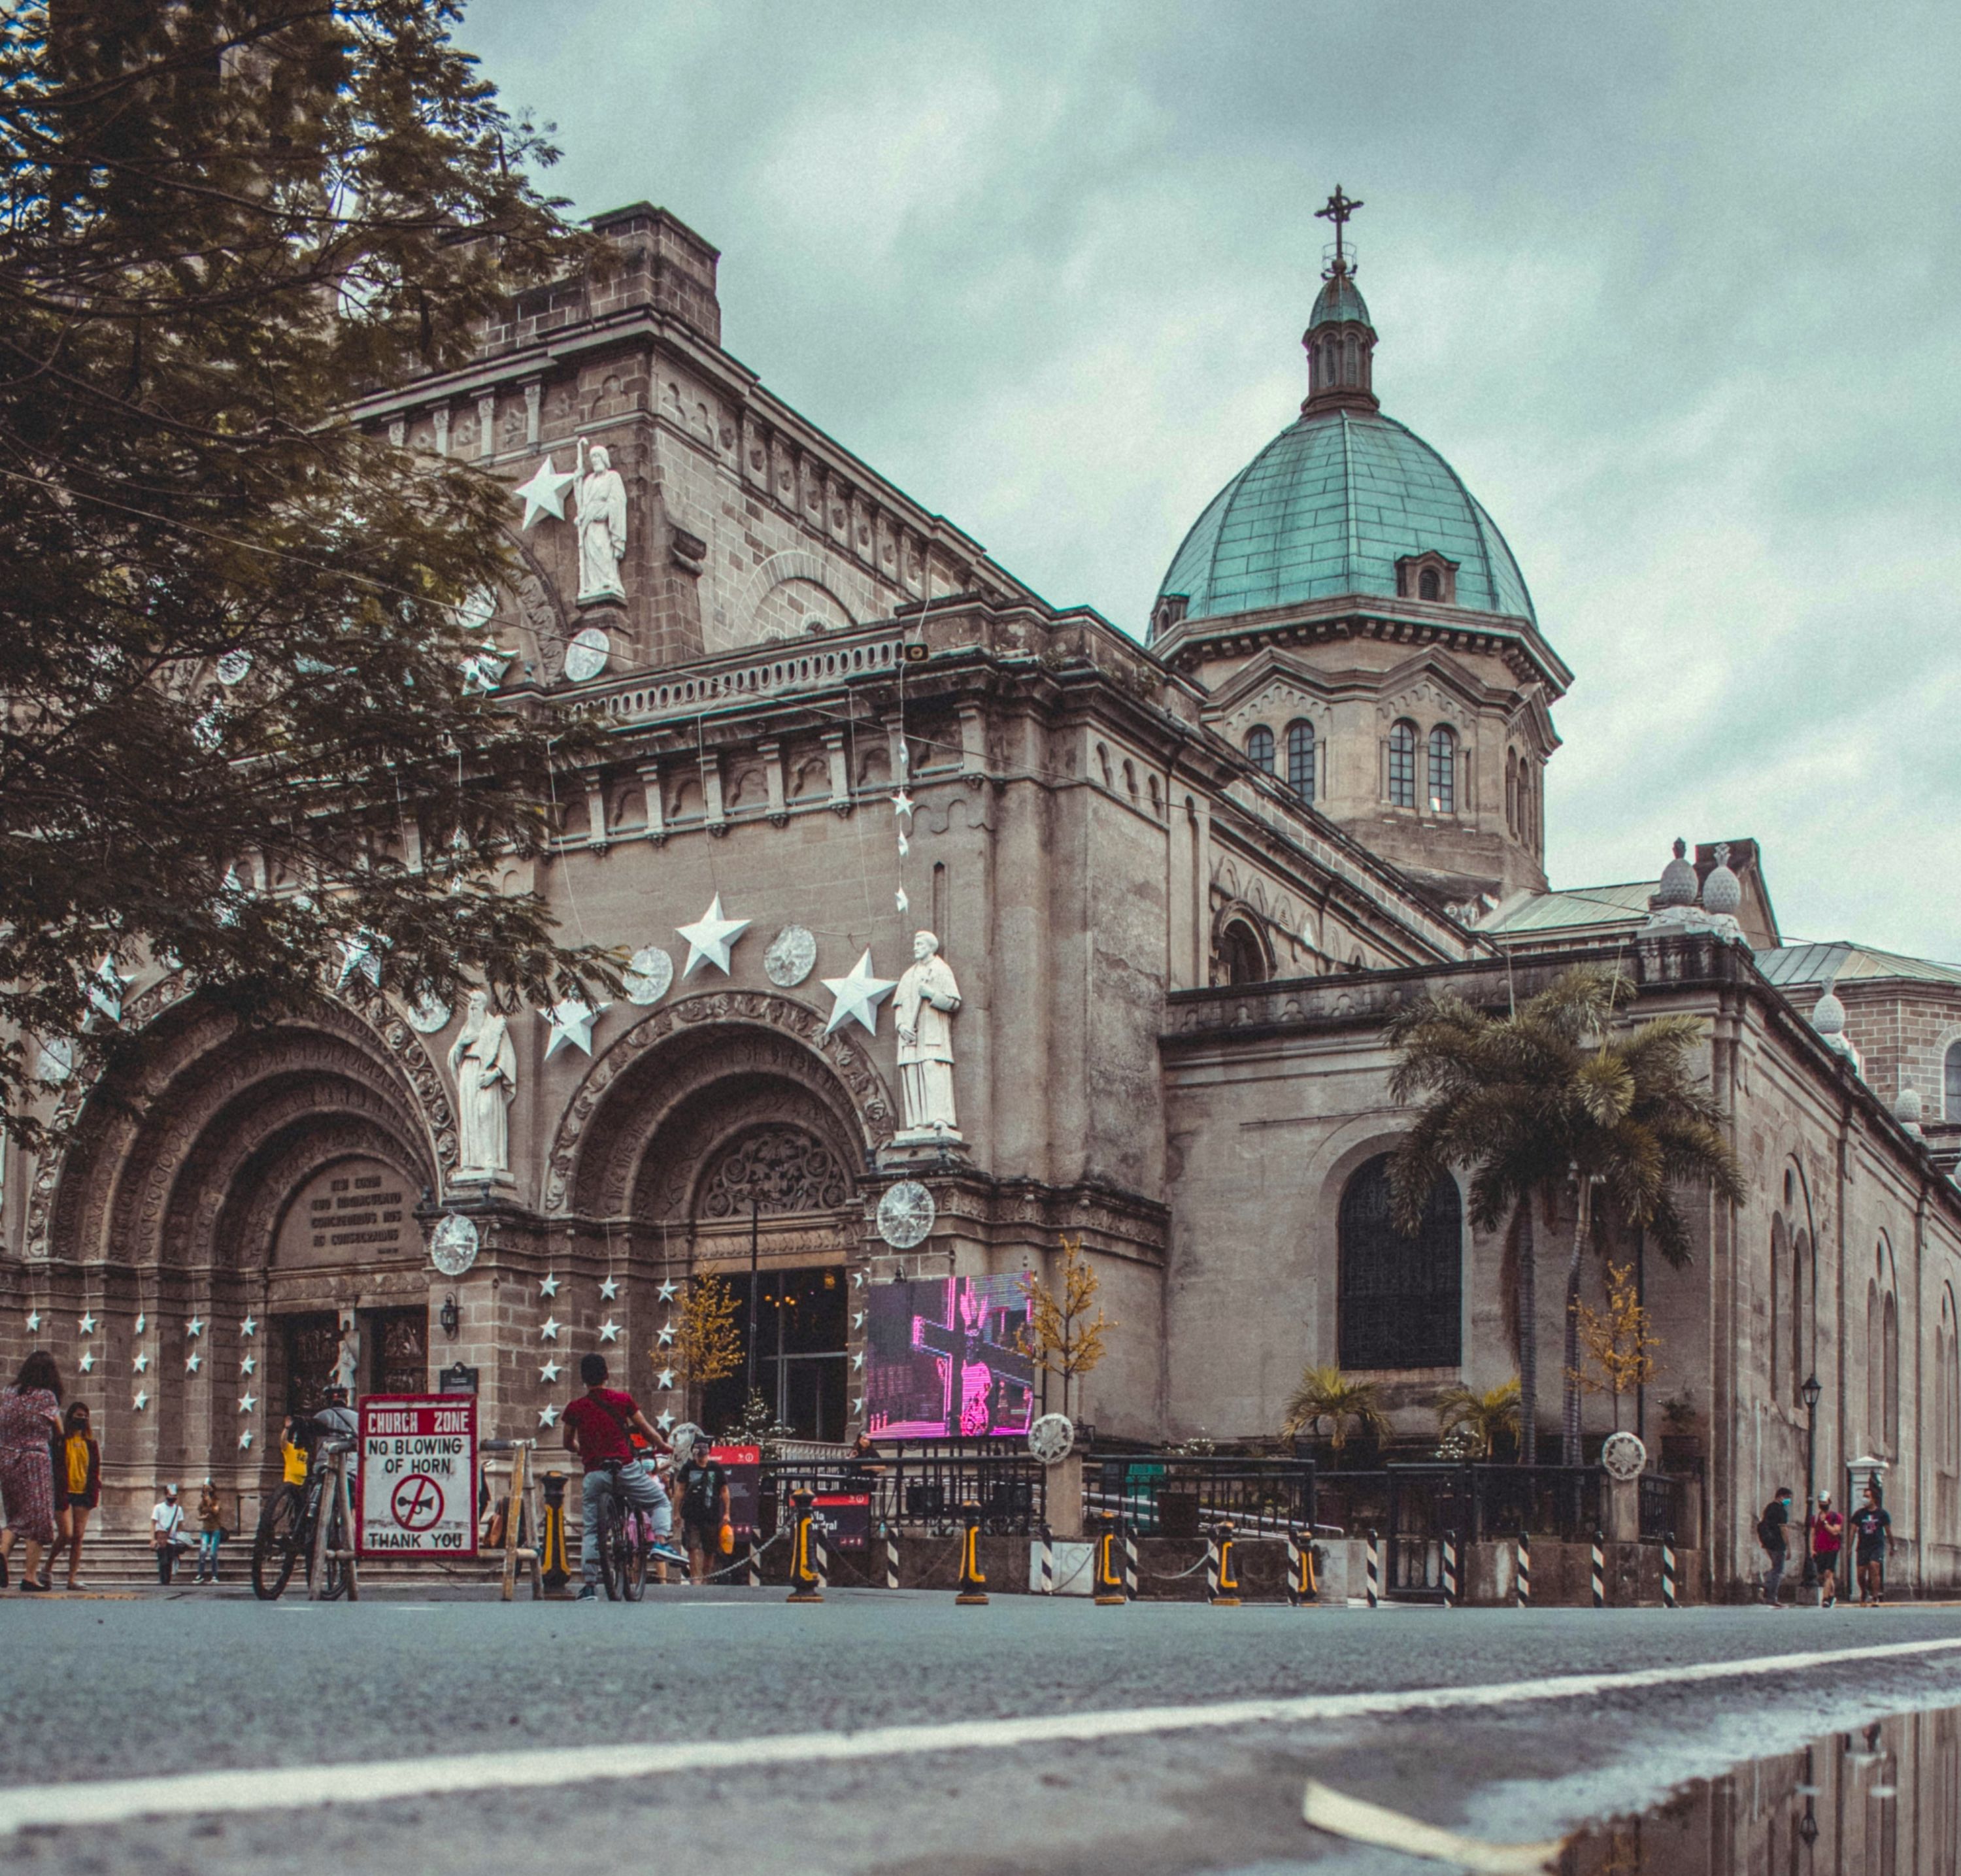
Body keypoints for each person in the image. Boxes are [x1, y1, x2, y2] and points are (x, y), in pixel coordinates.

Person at [560, 1354, 684, 1600]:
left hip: (595, 1472)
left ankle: (590, 1585)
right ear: (607, 1374)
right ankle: (660, 1542)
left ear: (583, 1378)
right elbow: (645, 1429)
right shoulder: (622, 1400)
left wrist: (582, 1450)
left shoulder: (575, 1408)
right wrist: (663, 1446)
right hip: (624, 1467)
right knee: (659, 1501)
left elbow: (567, 1442)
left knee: (593, 1528)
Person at [0, 1350, 64, 1592]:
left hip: (6, 1459)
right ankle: (30, 1577)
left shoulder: (7, 1393)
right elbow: (58, 1429)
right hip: (33, 1460)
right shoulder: (45, 1396)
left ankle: (2, 1554)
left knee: (16, 1517)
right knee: (38, 1518)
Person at [46, 1401, 101, 1592]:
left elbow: (94, 1471)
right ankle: (48, 1567)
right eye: (78, 1415)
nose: (82, 1419)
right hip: (64, 1492)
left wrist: (94, 1493)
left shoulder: (91, 1444)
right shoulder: (61, 1441)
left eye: (85, 1416)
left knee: (78, 1537)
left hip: (83, 1494)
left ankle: (72, 1579)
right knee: (66, 1534)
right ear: (70, 1417)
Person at [675, 1439, 731, 1587]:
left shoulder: (716, 1468)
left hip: (711, 1513)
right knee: (693, 1546)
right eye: (698, 1455)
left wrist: (727, 1513)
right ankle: (696, 1577)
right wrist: (676, 1512)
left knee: (710, 1549)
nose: (701, 1458)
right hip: (692, 1513)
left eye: (703, 1455)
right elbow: (680, 1490)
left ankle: (706, 1576)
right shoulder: (688, 1467)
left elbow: (724, 1491)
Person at [1851, 1481, 1892, 1606]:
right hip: (1863, 1546)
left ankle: (1875, 1597)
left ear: (1874, 1499)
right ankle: (1864, 1591)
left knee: (1874, 1567)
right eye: (1864, 1496)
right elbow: (1853, 1531)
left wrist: (1893, 1545)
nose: (1865, 1499)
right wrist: (1849, 1547)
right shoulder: (1859, 1514)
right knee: (1861, 1573)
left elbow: (1888, 1531)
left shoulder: (1882, 1514)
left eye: (1868, 1496)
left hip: (1877, 1545)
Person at [1758, 1486, 1793, 1607]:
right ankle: (1769, 1593)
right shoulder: (1781, 1510)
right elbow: (1784, 1530)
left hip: (1768, 1543)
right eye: (1788, 1498)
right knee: (1779, 1571)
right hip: (1778, 1543)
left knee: (1775, 1568)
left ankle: (1766, 1589)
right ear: (1781, 1496)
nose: (1789, 1501)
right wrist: (1789, 1547)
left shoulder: (1769, 1508)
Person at [1812, 1490, 1844, 1608]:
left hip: (1832, 1547)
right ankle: (1832, 1595)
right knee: (1823, 1575)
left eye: (1824, 1502)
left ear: (1829, 1502)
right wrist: (1812, 1549)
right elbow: (1812, 1533)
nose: (1822, 1504)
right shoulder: (1815, 1518)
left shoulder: (1836, 1517)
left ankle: (1825, 1599)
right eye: (1820, 1502)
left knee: (1828, 1573)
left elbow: (1835, 1531)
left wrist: (1825, 1522)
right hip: (1820, 1548)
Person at [151, 1482, 186, 1584]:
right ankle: (163, 1580)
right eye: (171, 1495)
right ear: (166, 1495)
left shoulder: (178, 1509)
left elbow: (180, 1524)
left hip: (172, 1538)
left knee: (170, 1560)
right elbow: (153, 1523)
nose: (173, 1497)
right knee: (163, 1560)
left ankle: (167, 1580)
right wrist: (153, 1539)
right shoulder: (158, 1508)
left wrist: (179, 1537)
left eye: (174, 1496)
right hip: (161, 1538)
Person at [195, 1479, 226, 1584]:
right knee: (203, 1552)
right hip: (205, 1529)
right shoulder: (202, 1503)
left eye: (209, 1489)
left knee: (213, 1553)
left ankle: (214, 1576)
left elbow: (216, 1511)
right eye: (205, 1489)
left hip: (215, 1529)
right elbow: (198, 1515)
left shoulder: (217, 1501)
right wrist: (203, 1517)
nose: (207, 1491)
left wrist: (209, 1502)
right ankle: (200, 1575)